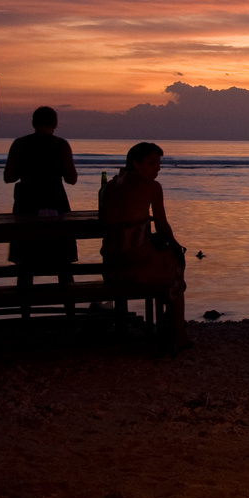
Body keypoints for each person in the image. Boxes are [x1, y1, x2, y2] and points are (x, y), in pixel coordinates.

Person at [100, 142, 189, 353]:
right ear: (135, 163)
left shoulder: (110, 186)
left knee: (168, 261)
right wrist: (176, 245)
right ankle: (178, 335)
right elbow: (162, 226)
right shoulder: (151, 187)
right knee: (176, 267)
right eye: (152, 163)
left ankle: (168, 325)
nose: (157, 168)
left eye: (159, 163)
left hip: (110, 268)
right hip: (135, 267)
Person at [3, 106, 78, 280]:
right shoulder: (60, 145)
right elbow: (71, 179)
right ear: (55, 124)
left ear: (33, 123)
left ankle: (24, 305)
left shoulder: (20, 144)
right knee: (62, 261)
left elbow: (9, 177)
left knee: (25, 261)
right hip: (55, 202)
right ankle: (69, 304)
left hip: (26, 203)